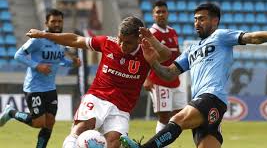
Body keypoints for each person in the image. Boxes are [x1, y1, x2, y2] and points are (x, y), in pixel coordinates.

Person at [119, 3, 267, 148]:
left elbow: (252, 37)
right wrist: (153, 63)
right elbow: (168, 74)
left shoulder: (221, 36)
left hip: (212, 97)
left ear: (215, 21)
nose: (197, 23)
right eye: (195, 19)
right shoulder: (190, 50)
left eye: (202, 19)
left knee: (177, 120)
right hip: (202, 102)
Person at [25, 16, 172, 148]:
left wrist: (151, 39)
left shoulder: (147, 51)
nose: (121, 45)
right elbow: (76, 40)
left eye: (127, 43)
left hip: (122, 108)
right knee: (81, 128)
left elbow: (167, 55)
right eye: (120, 39)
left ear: (139, 40)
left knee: (114, 142)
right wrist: (44, 35)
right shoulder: (108, 42)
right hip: (98, 97)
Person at [0, 9, 81, 148]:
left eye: (59, 21)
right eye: (53, 21)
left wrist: (72, 63)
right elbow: (18, 55)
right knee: (38, 123)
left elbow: (60, 60)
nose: (56, 24)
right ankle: (11, 112)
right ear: (46, 23)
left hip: (50, 88)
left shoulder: (61, 41)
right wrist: (37, 66)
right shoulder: (38, 40)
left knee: (50, 123)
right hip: (34, 87)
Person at [143, 0, 187, 141]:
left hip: (174, 79)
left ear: (168, 13)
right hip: (158, 80)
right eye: (158, 12)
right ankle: (156, 144)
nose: (161, 14)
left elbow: (177, 54)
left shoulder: (173, 32)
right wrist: (146, 78)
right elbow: (144, 58)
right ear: (153, 15)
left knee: (181, 113)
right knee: (164, 115)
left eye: (163, 11)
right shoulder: (150, 33)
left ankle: (164, 141)